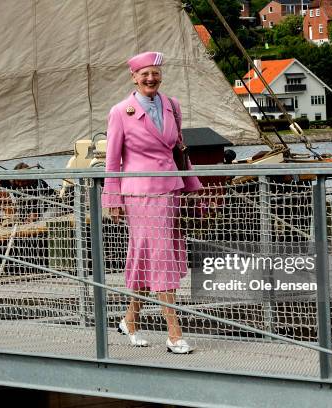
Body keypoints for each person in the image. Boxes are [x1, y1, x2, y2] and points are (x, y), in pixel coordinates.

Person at [102, 51, 202, 354]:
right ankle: (174, 332)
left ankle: (130, 320)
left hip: (170, 190)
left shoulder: (172, 106)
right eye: (145, 74)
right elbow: (112, 160)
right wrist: (112, 197)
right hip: (140, 194)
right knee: (160, 257)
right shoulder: (121, 111)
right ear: (134, 77)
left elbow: (178, 149)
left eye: (155, 73)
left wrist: (192, 184)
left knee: (153, 256)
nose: (151, 78)